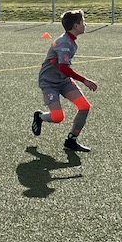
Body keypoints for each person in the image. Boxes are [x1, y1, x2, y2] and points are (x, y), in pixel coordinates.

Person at [32, 9, 98, 153]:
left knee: (84, 106)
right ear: (75, 25)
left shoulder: (70, 40)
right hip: (49, 82)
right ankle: (40, 116)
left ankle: (71, 140)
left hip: (63, 80)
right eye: (83, 22)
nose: (85, 24)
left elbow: (63, 70)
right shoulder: (64, 43)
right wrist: (85, 80)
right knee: (58, 117)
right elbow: (64, 68)